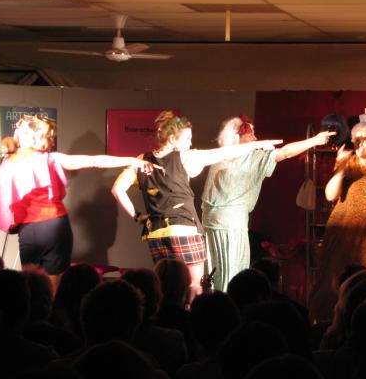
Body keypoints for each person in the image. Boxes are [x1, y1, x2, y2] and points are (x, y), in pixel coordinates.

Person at [112, 111, 282, 302]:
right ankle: (191, 318)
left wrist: (138, 216)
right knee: (195, 286)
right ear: (172, 138)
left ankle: (168, 316)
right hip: (184, 228)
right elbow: (225, 153)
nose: (190, 143)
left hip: (155, 233)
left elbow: (117, 190)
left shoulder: (141, 160)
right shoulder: (185, 157)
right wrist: (258, 144)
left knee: (167, 286)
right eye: (187, 138)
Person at [0, 114, 158, 291]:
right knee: (51, 289)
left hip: (28, 231)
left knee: (31, 287)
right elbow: (94, 161)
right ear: (39, 137)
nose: (52, 141)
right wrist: (133, 160)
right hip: (53, 227)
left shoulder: (9, 163)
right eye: (50, 137)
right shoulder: (50, 159)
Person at [201, 115, 334, 292]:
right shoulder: (250, 158)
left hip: (211, 220)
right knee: (232, 272)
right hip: (231, 222)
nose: (255, 138)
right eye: (250, 135)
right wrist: (315, 140)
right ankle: (229, 302)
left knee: (215, 271)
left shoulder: (220, 157)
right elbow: (285, 152)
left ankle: (215, 300)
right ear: (237, 137)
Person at [307, 112, 366, 324]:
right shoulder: (349, 163)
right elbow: (330, 195)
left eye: (364, 139)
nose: (359, 143)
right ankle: (325, 325)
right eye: (356, 139)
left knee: (363, 284)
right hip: (342, 233)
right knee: (332, 281)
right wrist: (340, 169)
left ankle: (358, 325)